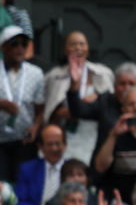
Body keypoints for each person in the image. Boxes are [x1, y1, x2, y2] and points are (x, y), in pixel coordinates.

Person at [43, 31, 115, 164]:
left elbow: (111, 106)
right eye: (73, 44)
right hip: (65, 135)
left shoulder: (103, 73)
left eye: (82, 44)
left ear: (88, 48)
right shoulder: (54, 76)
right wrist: (61, 112)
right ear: (65, 50)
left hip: (93, 133)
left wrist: (97, 99)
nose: (78, 48)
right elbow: (47, 109)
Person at [0, 26, 43, 182]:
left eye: (24, 44)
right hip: (0, 142)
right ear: (3, 47)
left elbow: (40, 109)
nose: (20, 48)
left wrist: (36, 127)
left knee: (23, 183)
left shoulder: (36, 73)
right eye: (14, 43)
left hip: (24, 142)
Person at [14, 124, 68, 205]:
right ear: (40, 146)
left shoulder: (73, 171)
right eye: (49, 144)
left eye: (57, 143)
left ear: (65, 145)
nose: (54, 148)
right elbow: (18, 201)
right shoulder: (28, 169)